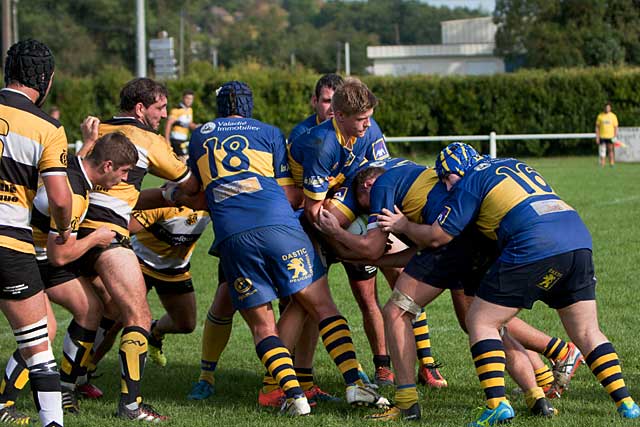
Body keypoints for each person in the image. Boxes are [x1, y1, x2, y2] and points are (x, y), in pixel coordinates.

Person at [180, 80, 389, 416]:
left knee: (259, 321)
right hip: (283, 226)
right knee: (322, 306)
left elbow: (190, 188)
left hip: (234, 235)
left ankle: (293, 394)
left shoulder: (200, 133)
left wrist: (168, 196)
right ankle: (354, 381)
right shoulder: (273, 132)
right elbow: (294, 196)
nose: (367, 124)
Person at [401, 142, 639, 425]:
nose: (446, 186)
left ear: (454, 171)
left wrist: (402, 226)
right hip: (577, 238)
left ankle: (496, 404)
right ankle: (626, 403)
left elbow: (439, 235)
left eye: (445, 179)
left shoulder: (470, 179)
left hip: (535, 242)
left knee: (479, 319)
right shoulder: (513, 163)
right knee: (588, 331)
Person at [76, 77, 200, 422]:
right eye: (160, 108)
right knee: (138, 316)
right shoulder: (149, 139)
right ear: (141, 108)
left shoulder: (100, 129)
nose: (163, 115)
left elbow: (119, 190)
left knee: (101, 309)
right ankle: (130, 406)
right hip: (108, 233)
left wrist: (161, 196)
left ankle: (70, 383)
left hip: (77, 227)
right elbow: (188, 182)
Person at [0, 133, 138, 418]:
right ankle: (4, 403)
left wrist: (88, 139)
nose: (124, 180)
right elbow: (59, 256)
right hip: (30, 258)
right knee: (45, 330)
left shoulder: (74, 165)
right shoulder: (73, 195)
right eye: (124, 172)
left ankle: (65, 387)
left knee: (91, 309)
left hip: (39, 256)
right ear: (108, 165)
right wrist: (96, 238)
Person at [287, 77, 399, 387]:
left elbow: (379, 177)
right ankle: (284, 380)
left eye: (369, 117)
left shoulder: (366, 129)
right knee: (305, 301)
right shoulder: (322, 143)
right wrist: (344, 239)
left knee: (391, 277)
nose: (367, 125)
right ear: (340, 116)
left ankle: (405, 366)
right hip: (301, 209)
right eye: (361, 119)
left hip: (343, 194)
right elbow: (313, 212)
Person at [0, 38, 72, 427]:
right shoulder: (47, 127)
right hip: (9, 243)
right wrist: (63, 229)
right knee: (37, 344)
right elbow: (60, 198)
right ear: (46, 80)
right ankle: (53, 424)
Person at [129, 205, 211, 367]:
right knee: (119, 318)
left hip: (175, 269)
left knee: (185, 325)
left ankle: (155, 332)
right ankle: (86, 369)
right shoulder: (164, 200)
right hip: (139, 262)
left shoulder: (210, 199)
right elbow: (122, 228)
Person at [164, 90, 198, 161]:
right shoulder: (176, 110)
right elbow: (168, 124)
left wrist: (198, 127)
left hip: (184, 140)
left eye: (191, 99)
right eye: (187, 98)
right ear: (183, 98)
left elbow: (189, 124)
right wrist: (167, 140)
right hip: (176, 140)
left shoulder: (190, 110)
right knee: (184, 159)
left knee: (183, 160)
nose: (189, 101)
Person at [595, 102, 618, 167]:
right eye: (606, 107)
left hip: (610, 136)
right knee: (602, 150)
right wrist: (597, 137)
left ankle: (612, 163)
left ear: (610, 108)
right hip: (602, 136)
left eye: (608, 107)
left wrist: (615, 136)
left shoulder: (613, 116)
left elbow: (615, 127)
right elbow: (597, 127)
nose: (607, 108)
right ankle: (603, 164)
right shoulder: (600, 116)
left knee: (610, 150)